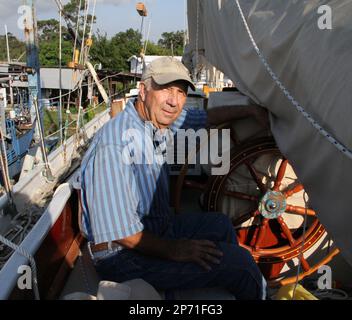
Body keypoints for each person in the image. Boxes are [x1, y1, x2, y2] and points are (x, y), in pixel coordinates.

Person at [80, 57, 268, 300]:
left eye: (180, 92)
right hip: (121, 257)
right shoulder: (115, 145)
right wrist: (175, 250)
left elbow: (205, 118)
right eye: (165, 89)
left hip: (157, 227)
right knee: (241, 264)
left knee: (219, 224)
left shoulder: (156, 120)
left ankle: (224, 286)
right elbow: (120, 232)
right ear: (143, 90)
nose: (173, 100)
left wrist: (250, 110)